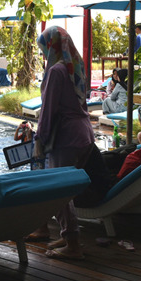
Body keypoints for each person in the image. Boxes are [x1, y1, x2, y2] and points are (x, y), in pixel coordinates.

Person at [30, 26, 94, 260]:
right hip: (84, 134)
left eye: (44, 48)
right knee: (66, 190)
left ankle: (73, 244)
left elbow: (48, 110)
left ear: (51, 46)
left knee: (58, 191)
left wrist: (39, 138)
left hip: (66, 136)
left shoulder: (56, 71)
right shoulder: (75, 65)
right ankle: (68, 235)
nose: (43, 53)